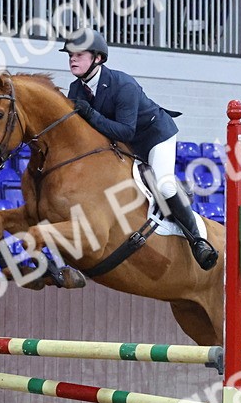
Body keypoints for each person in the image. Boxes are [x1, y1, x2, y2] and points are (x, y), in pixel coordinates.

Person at [60, 29, 218, 270]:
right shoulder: (76, 90)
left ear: (98, 58)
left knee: (163, 185)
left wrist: (90, 113)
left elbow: (126, 131)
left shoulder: (123, 85)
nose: (72, 59)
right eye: (70, 55)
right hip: (124, 146)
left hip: (153, 137)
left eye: (79, 54)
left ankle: (198, 240)